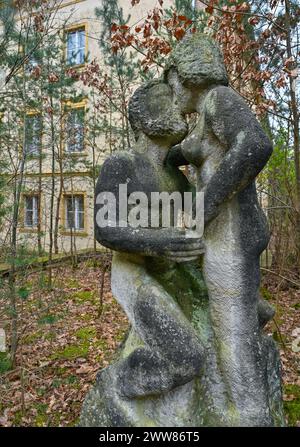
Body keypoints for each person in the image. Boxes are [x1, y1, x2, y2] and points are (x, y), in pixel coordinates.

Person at [165, 33, 276, 426]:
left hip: (231, 236)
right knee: (225, 325)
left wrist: (202, 208)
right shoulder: (204, 120)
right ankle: (258, 312)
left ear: (186, 75)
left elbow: (255, 145)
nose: (171, 91)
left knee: (232, 340)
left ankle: (250, 417)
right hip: (220, 238)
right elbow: (183, 151)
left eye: (171, 81)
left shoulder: (219, 100)